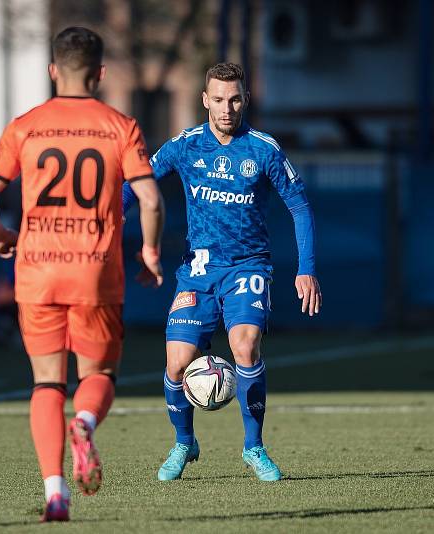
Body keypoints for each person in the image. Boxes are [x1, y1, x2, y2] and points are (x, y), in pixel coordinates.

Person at [0, 27, 164, 522]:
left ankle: (56, 495)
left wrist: (1, 235)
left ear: (53, 70)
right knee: (97, 375)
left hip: (35, 270)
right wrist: (150, 250)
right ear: (100, 75)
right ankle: (84, 422)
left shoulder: (26, 126)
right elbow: (150, 199)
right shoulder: (121, 126)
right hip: (95, 270)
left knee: (45, 384)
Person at [123, 62, 322, 482]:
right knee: (176, 364)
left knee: (245, 347)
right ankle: (184, 442)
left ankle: (254, 448)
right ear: (204, 100)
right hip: (198, 271)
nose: (227, 108)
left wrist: (306, 269)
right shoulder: (185, 146)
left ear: (245, 98)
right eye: (218, 99)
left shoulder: (264, 149)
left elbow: (300, 207)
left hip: (248, 267)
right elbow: (138, 182)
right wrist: (109, 219)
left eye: (234, 99)